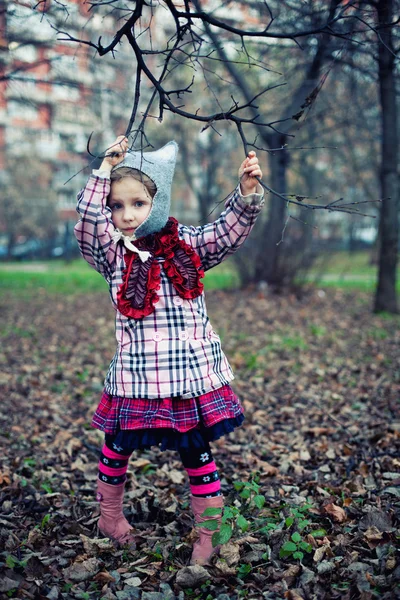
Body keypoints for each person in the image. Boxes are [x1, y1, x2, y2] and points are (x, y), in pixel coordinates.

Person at [74, 134, 264, 565]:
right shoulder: (113, 254)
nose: (126, 215)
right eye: (116, 206)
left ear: (157, 201)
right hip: (138, 375)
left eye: (138, 203)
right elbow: (87, 224)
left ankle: (210, 531)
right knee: (117, 444)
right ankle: (109, 517)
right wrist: (104, 171)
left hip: (189, 374)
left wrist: (246, 194)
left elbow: (225, 234)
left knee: (196, 448)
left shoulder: (188, 247)